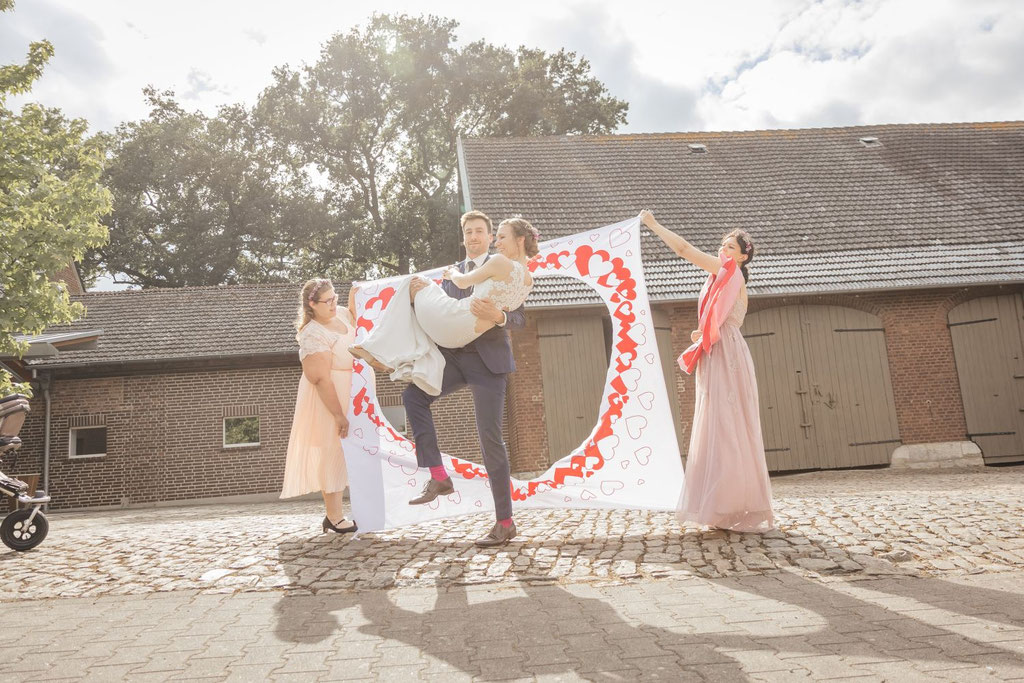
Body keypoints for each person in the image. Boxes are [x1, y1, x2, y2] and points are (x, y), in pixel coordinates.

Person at [355, 212, 536, 547]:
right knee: (413, 397)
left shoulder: (505, 268)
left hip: (488, 363)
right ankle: (439, 476)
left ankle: (505, 522)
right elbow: (434, 313)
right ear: (463, 236)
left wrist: (499, 316)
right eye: (468, 232)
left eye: (480, 231)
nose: (474, 237)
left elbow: (521, 318)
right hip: (452, 358)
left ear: (490, 234)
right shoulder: (450, 274)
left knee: (490, 440)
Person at [640, 210, 774, 533]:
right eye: (722, 246)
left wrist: (653, 225)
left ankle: (730, 503)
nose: (722, 252)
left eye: (730, 248)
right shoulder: (723, 278)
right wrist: (703, 334)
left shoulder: (730, 272)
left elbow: (684, 249)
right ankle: (723, 505)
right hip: (720, 349)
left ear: (743, 256)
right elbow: (725, 319)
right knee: (719, 425)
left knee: (726, 426)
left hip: (727, 354)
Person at [280, 278, 358, 534]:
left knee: (354, 452)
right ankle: (334, 517)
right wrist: (338, 414)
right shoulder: (312, 333)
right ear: (312, 305)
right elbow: (320, 378)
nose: (335, 303)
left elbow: (356, 319)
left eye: (336, 297)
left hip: (353, 392)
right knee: (332, 450)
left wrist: (356, 295)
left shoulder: (342, 314)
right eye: (328, 301)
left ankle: (361, 507)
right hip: (329, 397)